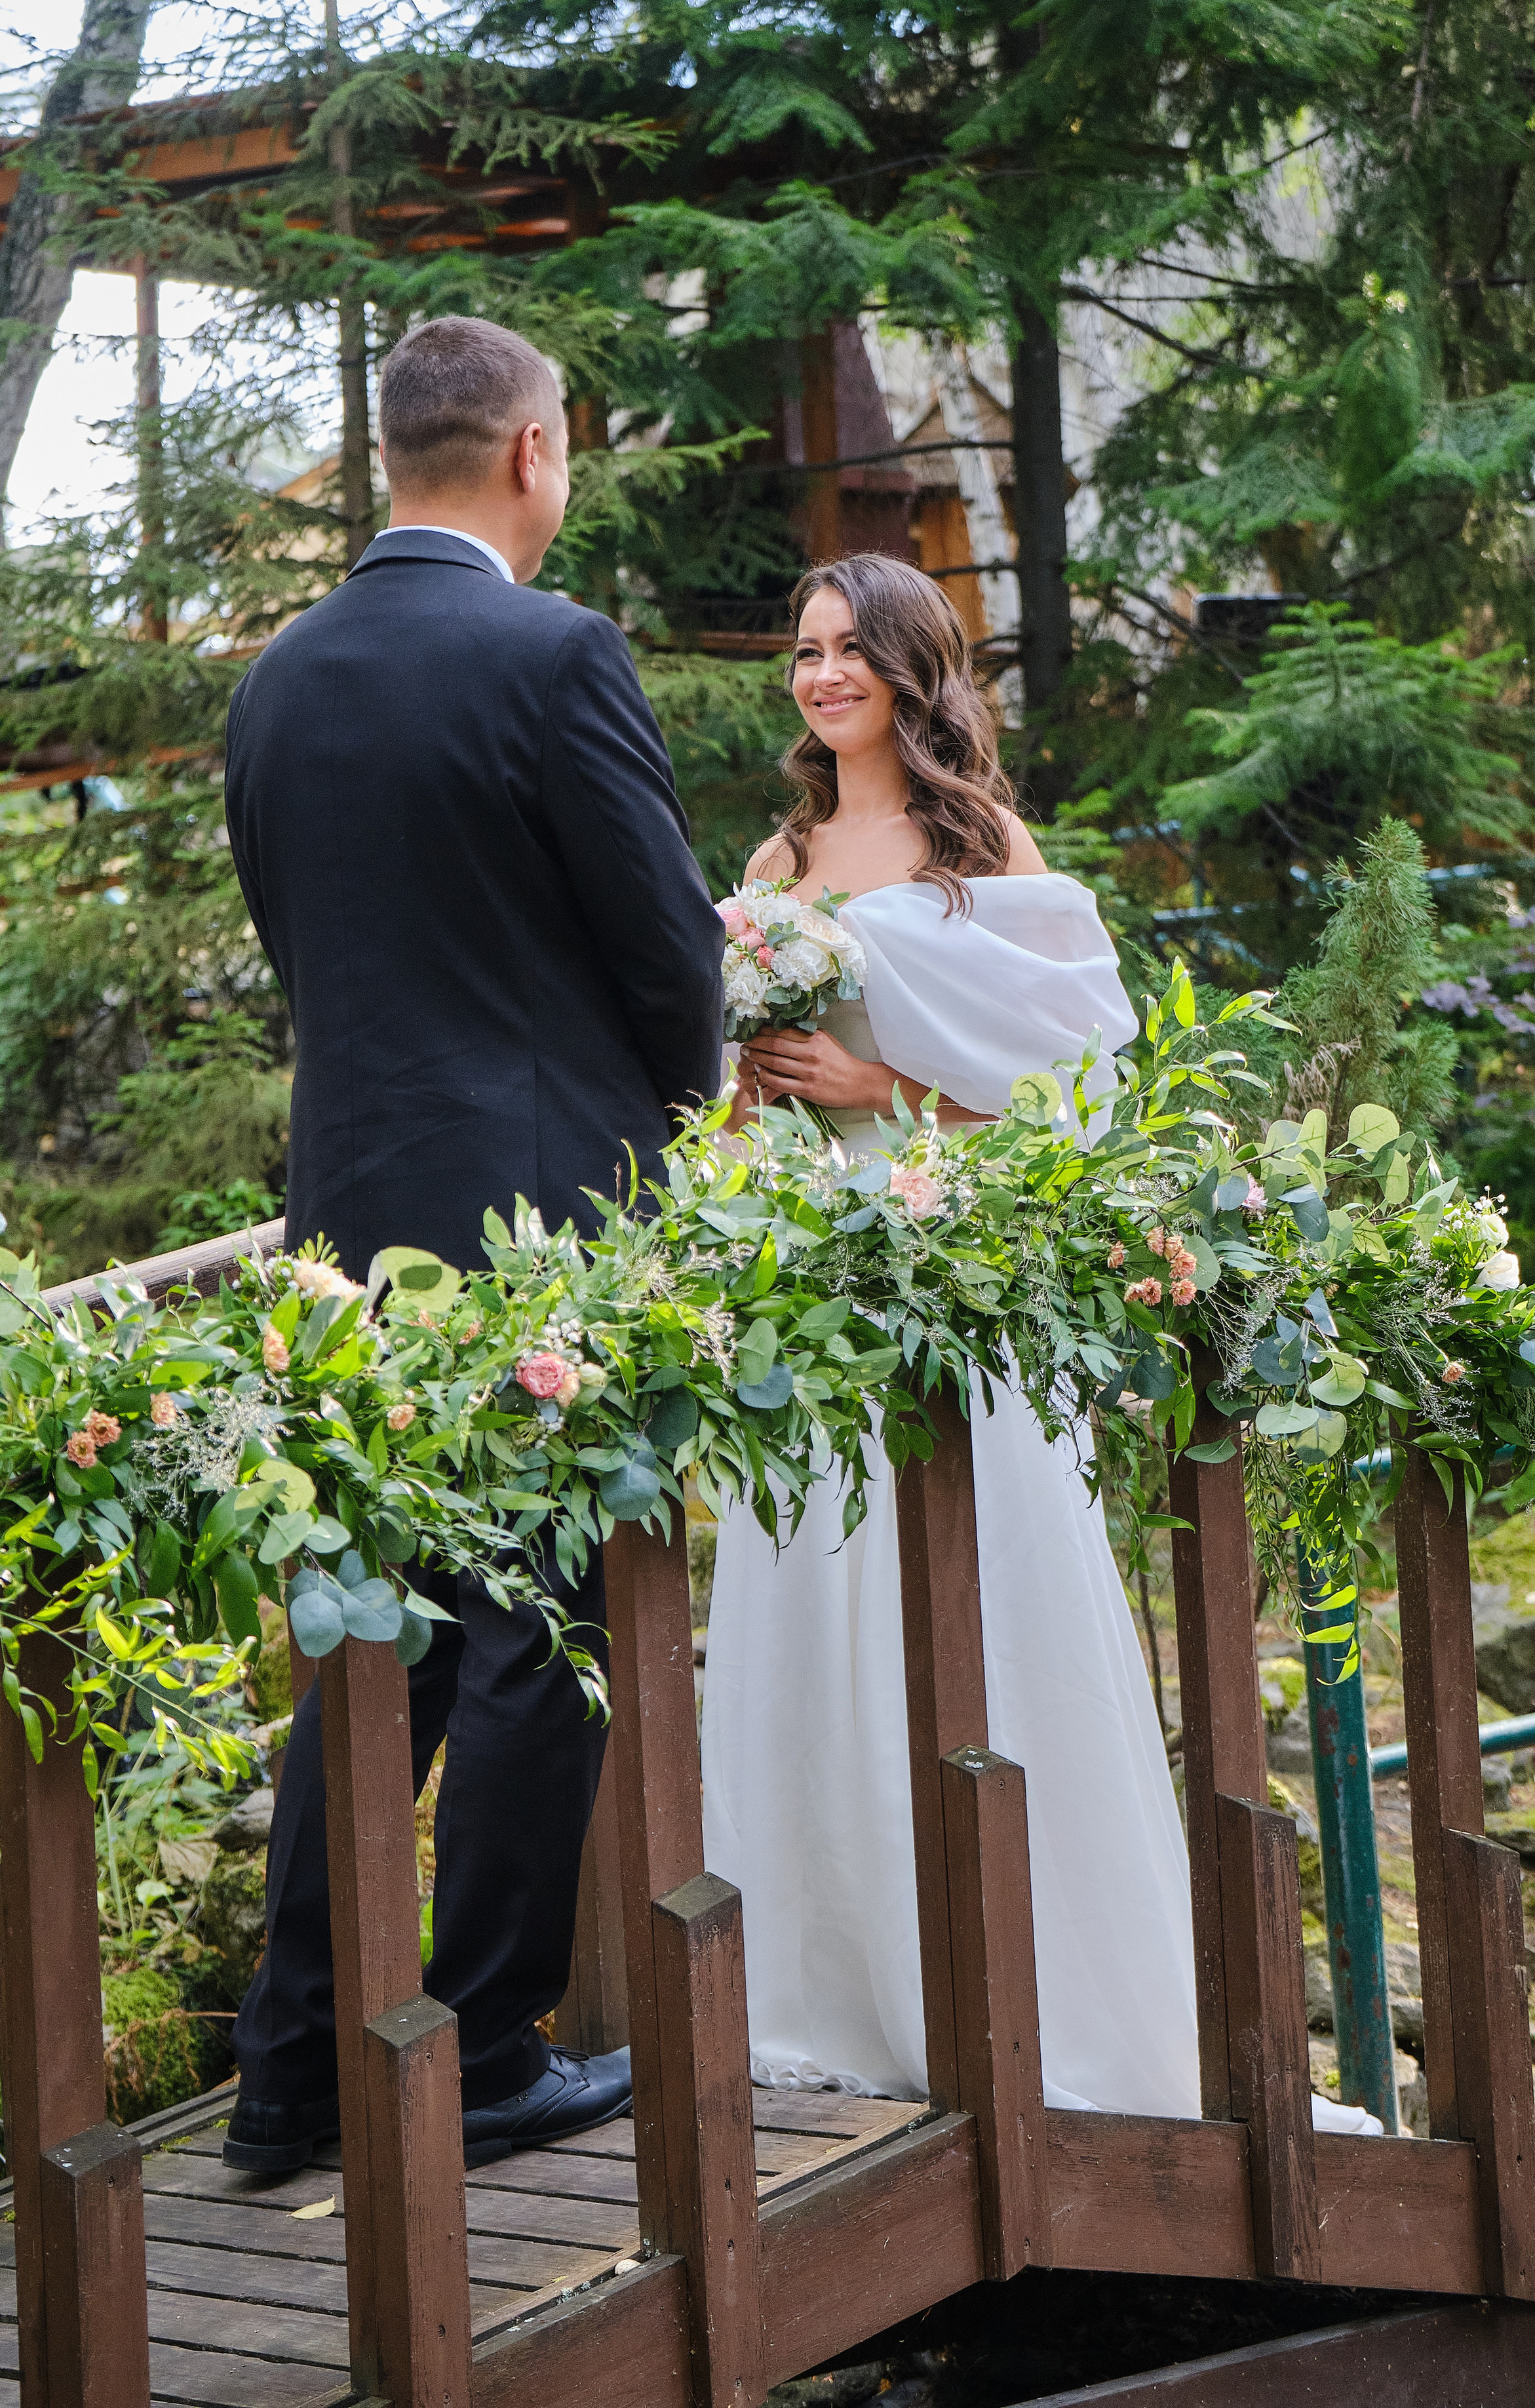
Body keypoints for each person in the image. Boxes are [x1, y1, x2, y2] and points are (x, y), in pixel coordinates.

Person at [702, 552, 1382, 2136]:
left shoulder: (980, 849)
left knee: (993, 1610)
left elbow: (1077, 1095)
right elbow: (735, 1093)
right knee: (814, 1611)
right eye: (801, 652)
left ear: (906, 667)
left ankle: (1042, 2000)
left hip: (953, 1265)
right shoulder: (777, 853)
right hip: (812, 1285)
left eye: (845, 650)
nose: (816, 677)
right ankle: (835, 1996)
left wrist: (885, 1096)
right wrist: (750, 1115)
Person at [221, 315, 724, 2174]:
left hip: (347, 1238)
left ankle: (288, 2081)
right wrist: (675, 1119)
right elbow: (673, 961)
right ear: (532, 452)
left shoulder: (274, 682)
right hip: (546, 1230)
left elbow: (314, 958)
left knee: (371, 1644)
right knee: (540, 1629)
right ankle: (489, 2043)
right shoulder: (554, 652)